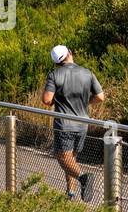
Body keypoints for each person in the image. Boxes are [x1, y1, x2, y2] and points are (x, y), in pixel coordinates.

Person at [42, 44, 104, 200]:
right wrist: (85, 102)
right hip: (82, 123)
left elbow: (46, 99)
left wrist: (56, 100)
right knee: (71, 158)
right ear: (70, 53)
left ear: (56, 62)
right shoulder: (87, 73)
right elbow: (100, 97)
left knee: (63, 157)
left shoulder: (54, 75)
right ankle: (70, 193)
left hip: (64, 124)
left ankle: (83, 178)